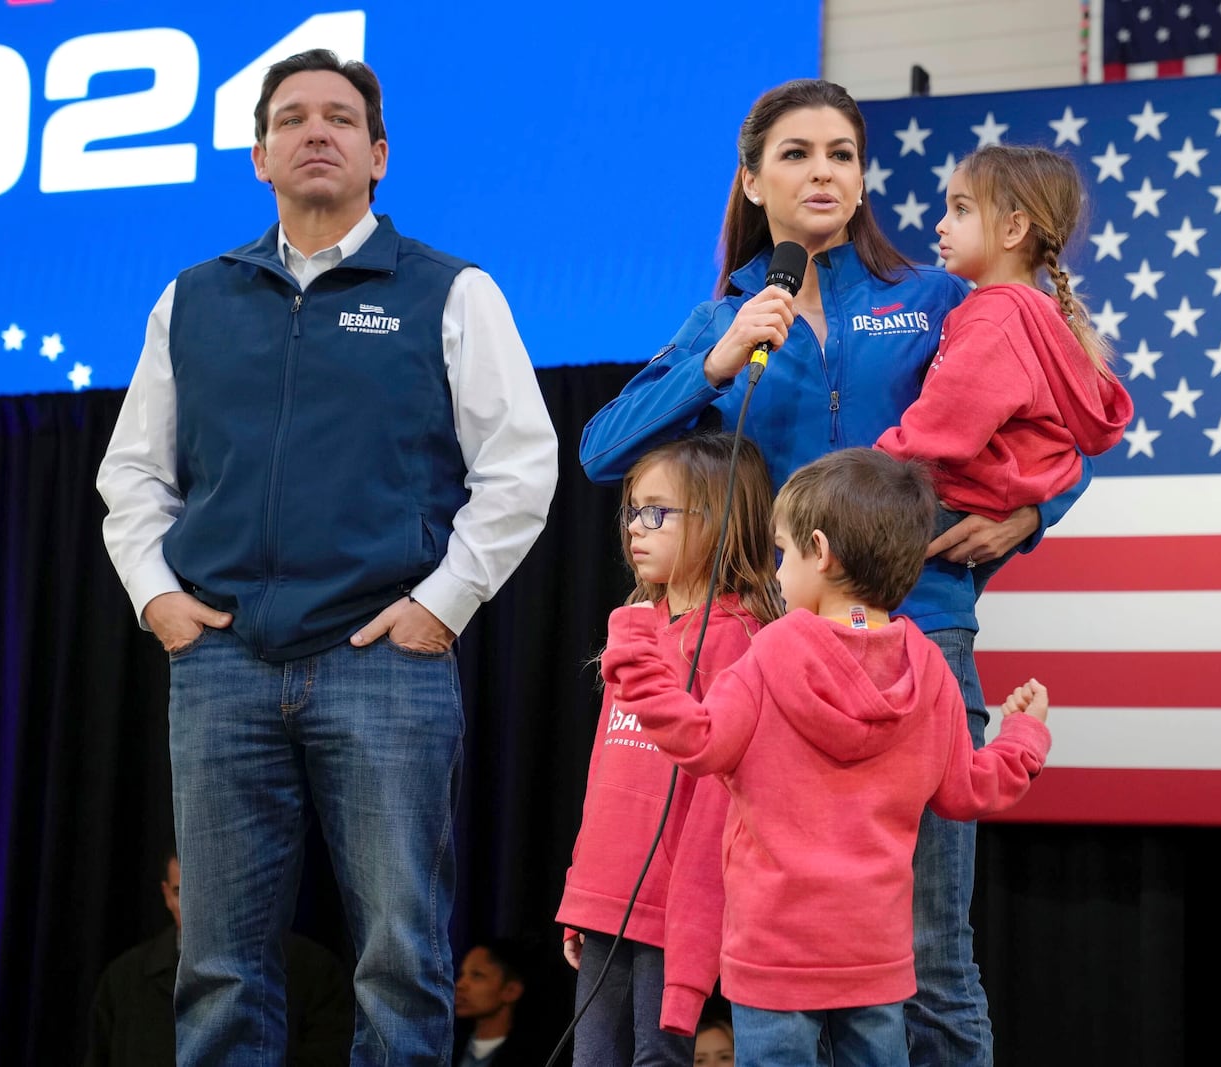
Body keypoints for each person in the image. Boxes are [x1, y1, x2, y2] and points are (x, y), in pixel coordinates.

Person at [577, 77, 1086, 1064]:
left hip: (921, 636)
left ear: (861, 179)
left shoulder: (934, 298)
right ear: (753, 179)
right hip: (776, 657)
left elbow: (1068, 422)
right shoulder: (724, 315)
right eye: (798, 153)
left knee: (931, 948)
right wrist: (714, 363)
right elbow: (603, 448)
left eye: (841, 154)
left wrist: (1030, 511)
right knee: (776, 945)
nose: (823, 171)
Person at [95, 48, 558, 1066]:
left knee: (400, 956)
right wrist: (157, 599)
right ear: (258, 155)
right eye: (292, 118)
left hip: (384, 660)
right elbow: (132, 475)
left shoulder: (451, 290)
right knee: (217, 961)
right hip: (219, 665)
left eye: (339, 118)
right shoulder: (192, 299)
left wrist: (442, 602)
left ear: (378, 154)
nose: (315, 131)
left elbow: (521, 465)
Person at [600, 447, 1051, 1065]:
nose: (777, 574)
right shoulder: (929, 667)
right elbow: (968, 791)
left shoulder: (772, 651)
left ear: (820, 551)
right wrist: (1022, 734)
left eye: (782, 553)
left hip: (773, 954)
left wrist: (632, 641)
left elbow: (698, 742)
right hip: (876, 960)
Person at [557, 433, 783, 1064]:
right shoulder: (633, 626)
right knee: (593, 1058)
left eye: (659, 512)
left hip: (675, 900)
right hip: (607, 894)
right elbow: (606, 773)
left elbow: (723, 792)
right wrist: (582, 895)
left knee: (658, 1057)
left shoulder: (742, 640)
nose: (637, 527)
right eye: (633, 510)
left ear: (720, 521)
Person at [874, 144, 1133, 592]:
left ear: (1014, 228)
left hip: (947, 511)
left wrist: (856, 478)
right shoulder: (1037, 311)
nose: (941, 224)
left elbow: (940, 431)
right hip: (985, 513)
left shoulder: (994, 320)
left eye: (960, 210)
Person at [84, 853, 352, 1067]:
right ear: (166, 895)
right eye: (180, 892)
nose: (194, 907)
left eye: (204, 891)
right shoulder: (124, 978)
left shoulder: (312, 969)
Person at [451, 939, 546, 1067]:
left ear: (511, 990)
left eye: (477, 975)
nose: (460, 985)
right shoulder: (448, 1047)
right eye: (462, 975)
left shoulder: (535, 1056)